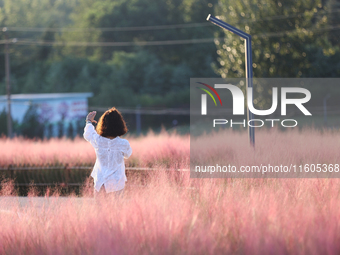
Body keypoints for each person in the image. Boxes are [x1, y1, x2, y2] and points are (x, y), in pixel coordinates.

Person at [83, 108, 132, 198]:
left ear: (103, 124)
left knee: (100, 211)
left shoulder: (98, 140)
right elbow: (128, 155)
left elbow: (88, 134)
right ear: (120, 125)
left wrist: (89, 121)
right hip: (117, 184)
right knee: (117, 210)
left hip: (100, 183)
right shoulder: (123, 144)